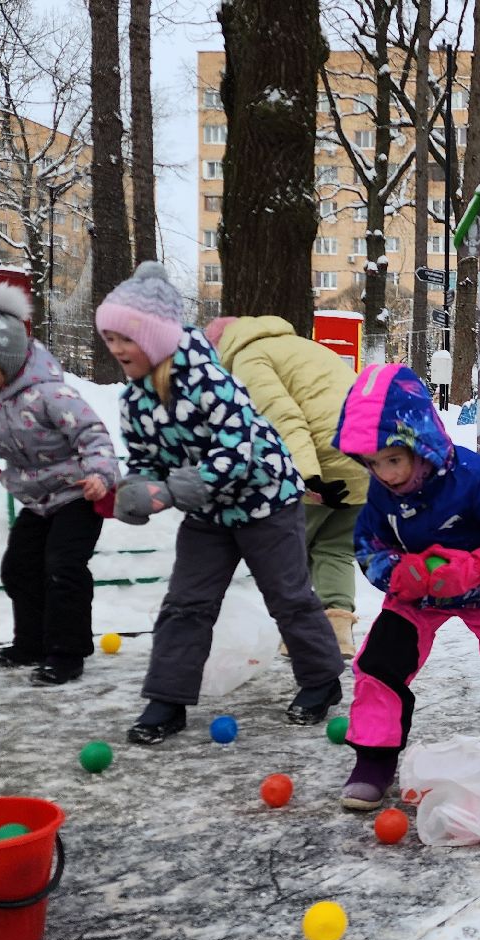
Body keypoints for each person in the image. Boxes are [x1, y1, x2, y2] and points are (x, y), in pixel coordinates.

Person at [97, 262, 345, 745]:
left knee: (289, 597)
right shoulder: (133, 401)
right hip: (208, 514)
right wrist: (135, 491)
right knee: (186, 602)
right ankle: (166, 699)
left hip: (267, 500)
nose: (116, 349)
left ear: (154, 337)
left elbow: (235, 453)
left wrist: (171, 491)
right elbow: (146, 458)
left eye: (125, 337)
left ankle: (321, 681)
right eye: (109, 337)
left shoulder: (211, 382)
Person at [334, 363, 480, 810]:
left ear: (420, 443)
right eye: (374, 463)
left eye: (394, 460)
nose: (385, 474)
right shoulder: (381, 493)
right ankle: (374, 759)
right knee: (380, 662)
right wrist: (401, 575)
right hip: (418, 595)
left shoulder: (473, 477)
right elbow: (368, 545)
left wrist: (477, 566)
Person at [0, 283, 117, 686]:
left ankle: (67, 652)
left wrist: (101, 477)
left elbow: (93, 435)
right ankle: (32, 643)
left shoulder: (52, 395)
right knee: (18, 569)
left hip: (78, 493)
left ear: (10, 362)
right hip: (38, 502)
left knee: (63, 568)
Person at [203, 315, 371, 658]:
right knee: (335, 548)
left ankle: (303, 635)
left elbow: (282, 418)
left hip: (320, 462)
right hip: (365, 454)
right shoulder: (303, 347)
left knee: (291, 552)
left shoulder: (250, 358)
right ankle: (338, 633)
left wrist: (305, 476)